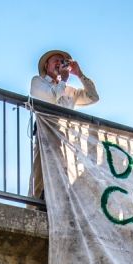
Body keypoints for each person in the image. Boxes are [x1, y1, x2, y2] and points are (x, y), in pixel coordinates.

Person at [29, 50, 99, 198]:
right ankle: (32, 210)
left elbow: (93, 97)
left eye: (62, 61)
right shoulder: (38, 82)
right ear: (47, 65)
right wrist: (64, 81)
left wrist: (79, 73)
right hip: (45, 136)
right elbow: (51, 98)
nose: (60, 63)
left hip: (64, 139)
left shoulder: (69, 91)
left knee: (61, 180)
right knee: (39, 177)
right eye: (56, 60)